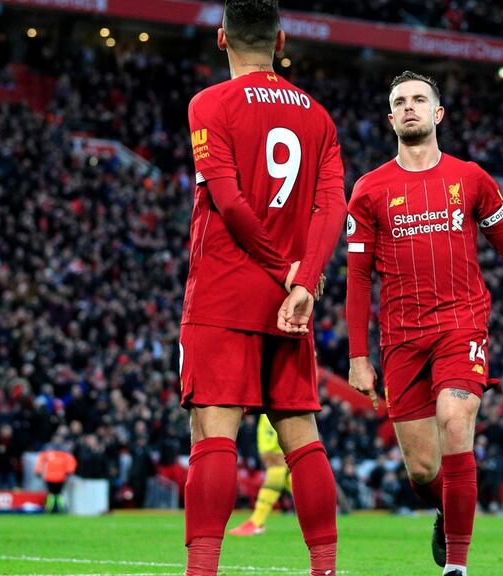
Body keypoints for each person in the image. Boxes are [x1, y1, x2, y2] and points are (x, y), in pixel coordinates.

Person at [346, 70, 503, 576]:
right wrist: (358, 356)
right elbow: (357, 277)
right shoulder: (369, 190)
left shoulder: (470, 179)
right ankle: (448, 509)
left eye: (419, 99)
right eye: (400, 101)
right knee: (423, 469)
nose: (409, 107)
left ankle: (456, 569)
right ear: (390, 119)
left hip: (461, 325)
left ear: (438, 113)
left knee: (456, 419)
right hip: (401, 338)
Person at [179, 1, 346, 574]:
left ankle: (202, 570)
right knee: (301, 435)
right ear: (280, 42)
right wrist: (304, 279)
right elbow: (333, 206)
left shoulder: (209, 104)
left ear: (221, 38)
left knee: (213, 432)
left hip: (225, 291)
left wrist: (282, 270)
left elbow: (229, 202)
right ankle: (325, 568)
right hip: (291, 304)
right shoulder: (318, 116)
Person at [230, 414, 291, 536]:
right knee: (292, 482)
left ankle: (257, 521)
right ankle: (321, 513)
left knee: (273, 482)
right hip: (272, 445)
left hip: (275, 447)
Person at [35, 445, 78, 513]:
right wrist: (69, 472)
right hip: (61, 477)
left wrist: (38, 472)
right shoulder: (65, 455)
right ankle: (61, 509)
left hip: (49, 477)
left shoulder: (47, 454)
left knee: (51, 495)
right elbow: (71, 463)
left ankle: (49, 509)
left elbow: (40, 461)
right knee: (59, 495)